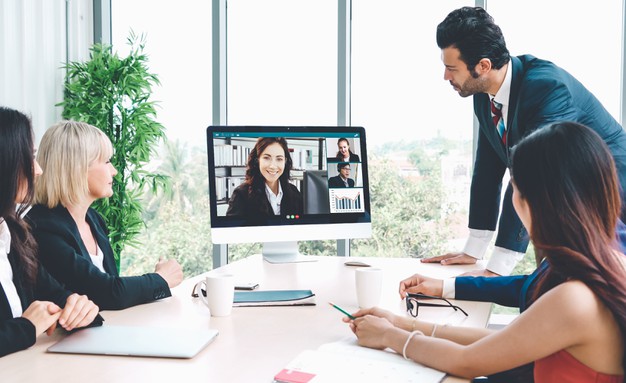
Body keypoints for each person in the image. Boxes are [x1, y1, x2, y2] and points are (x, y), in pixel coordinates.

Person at [344, 122, 626, 382]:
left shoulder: (574, 298)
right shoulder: (609, 264)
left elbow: (467, 362)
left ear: (537, 202)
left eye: (515, 188)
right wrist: (399, 323)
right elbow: (506, 341)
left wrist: (391, 337)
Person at [423, 6, 626, 277]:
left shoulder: (546, 88)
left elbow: (529, 175)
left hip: (614, 200)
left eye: (451, 68)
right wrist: (474, 249)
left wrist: (497, 268)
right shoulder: (484, 94)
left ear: (483, 66)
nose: (446, 77)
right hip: (572, 202)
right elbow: (487, 170)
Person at [26, 121, 183, 311]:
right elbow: (106, 292)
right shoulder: (42, 227)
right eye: (107, 161)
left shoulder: (94, 219)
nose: (114, 171)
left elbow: (111, 286)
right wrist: (161, 279)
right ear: (77, 167)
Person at [0, 108, 101, 357]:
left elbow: (54, 294)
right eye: (29, 158)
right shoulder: (41, 225)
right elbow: (27, 326)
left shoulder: (13, 235)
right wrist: (27, 327)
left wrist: (79, 307)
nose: (38, 170)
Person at [226, 137, 303, 218]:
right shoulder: (241, 195)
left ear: (285, 161)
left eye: (279, 159)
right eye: (266, 158)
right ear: (257, 160)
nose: (273, 166)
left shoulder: (294, 193)